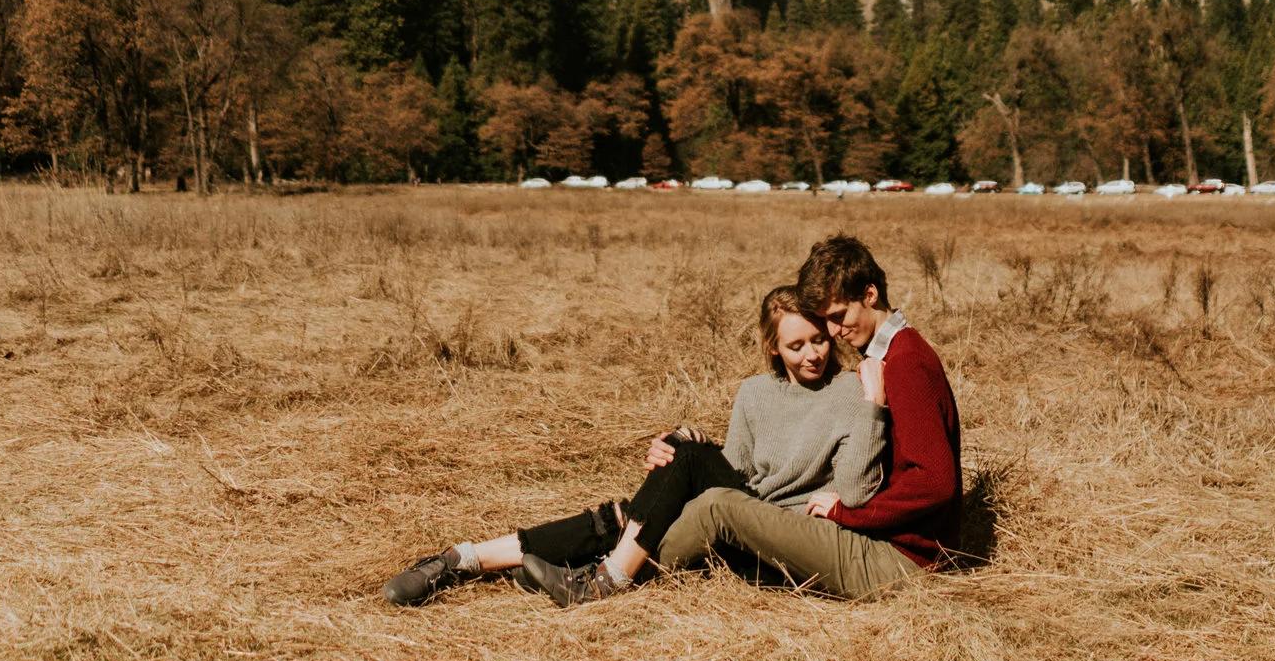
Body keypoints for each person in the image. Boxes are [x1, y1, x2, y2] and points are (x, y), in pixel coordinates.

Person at [382, 284, 886, 607]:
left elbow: (855, 487)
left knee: (672, 470)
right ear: (773, 347)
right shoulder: (755, 392)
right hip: (737, 506)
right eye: (795, 345)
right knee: (643, 492)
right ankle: (462, 559)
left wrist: (872, 404)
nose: (811, 354)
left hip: (780, 532)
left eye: (818, 340)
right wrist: (679, 452)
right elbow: (736, 470)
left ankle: (606, 577)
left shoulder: (849, 391)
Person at [638, 233, 961, 601]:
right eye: (828, 322)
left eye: (838, 318)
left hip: (897, 562)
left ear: (870, 295)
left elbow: (936, 483)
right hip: (885, 547)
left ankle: (629, 573)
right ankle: (618, 553)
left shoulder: (907, 362)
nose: (835, 332)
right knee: (705, 496)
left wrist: (849, 515)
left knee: (718, 510)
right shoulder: (891, 357)